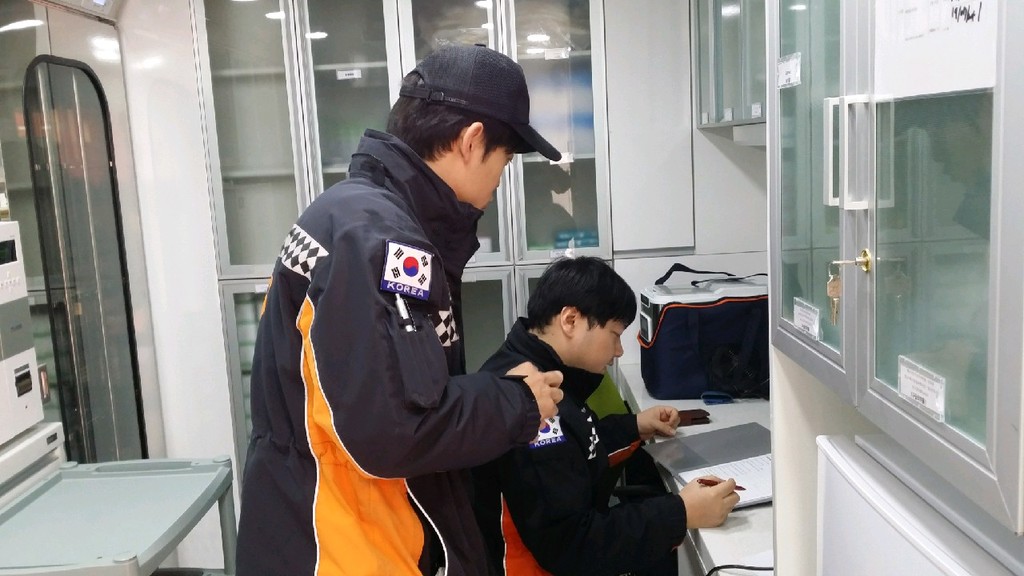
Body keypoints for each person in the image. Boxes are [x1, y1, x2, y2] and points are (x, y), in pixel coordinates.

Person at [235, 44, 567, 576]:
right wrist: (518, 404)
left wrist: (501, 392)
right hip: (347, 544)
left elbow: (384, 389)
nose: (500, 181)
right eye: (504, 162)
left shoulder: (351, 213)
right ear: (471, 141)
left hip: (317, 521)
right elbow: (394, 430)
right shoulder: (381, 239)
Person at [472, 256, 740, 576]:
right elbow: (572, 545)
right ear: (570, 320)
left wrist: (635, 426)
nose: (619, 351)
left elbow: (574, 449)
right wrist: (681, 513)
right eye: (615, 334)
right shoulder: (527, 401)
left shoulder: (537, 369)